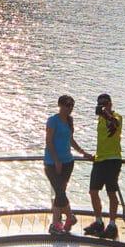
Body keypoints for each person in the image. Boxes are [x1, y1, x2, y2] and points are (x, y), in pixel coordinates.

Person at [43, 95, 88, 233]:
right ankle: (69, 217)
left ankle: (56, 223)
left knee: (60, 192)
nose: (70, 108)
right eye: (67, 105)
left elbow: (71, 140)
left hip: (68, 162)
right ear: (60, 105)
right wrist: (56, 160)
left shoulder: (69, 120)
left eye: (72, 106)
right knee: (59, 191)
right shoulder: (53, 120)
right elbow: (49, 141)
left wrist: (82, 152)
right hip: (52, 163)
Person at [87, 93, 125, 236]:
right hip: (99, 159)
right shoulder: (100, 120)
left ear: (110, 103)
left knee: (111, 192)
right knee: (93, 191)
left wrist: (105, 114)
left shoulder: (117, 117)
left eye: (104, 103)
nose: (102, 106)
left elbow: (115, 124)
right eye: (99, 104)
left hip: (113, 159)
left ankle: (112, 224)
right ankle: (98, 221)